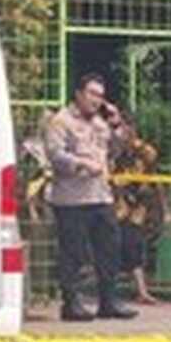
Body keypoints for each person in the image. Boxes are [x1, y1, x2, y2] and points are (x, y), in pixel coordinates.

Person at [44, 73, 138, 322]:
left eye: (100, 95)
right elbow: (55, 155)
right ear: (78, 94)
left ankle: (108, 300)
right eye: (92, 94)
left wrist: (118, 126)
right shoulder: (61, 121)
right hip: (72, 198)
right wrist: (81, 164)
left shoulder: (99, 123)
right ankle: (71, 303)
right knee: (73, 252)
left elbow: (117, 150)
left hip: (101, 196)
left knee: (109, 249)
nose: (96, 100)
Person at [111, 111, 171, 305]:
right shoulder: (111, 150)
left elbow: (156, 182)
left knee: (134, 241)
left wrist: (165, 209)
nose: (120, 132)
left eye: (124, 128)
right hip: (116, 202)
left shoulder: (146, 152)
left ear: (132, 129)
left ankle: (141, 290)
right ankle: (121, 288)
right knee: (114, 242)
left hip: (139, 206)